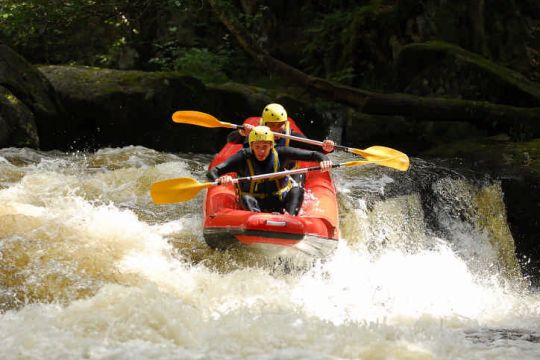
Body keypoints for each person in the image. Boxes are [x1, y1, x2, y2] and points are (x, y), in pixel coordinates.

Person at [207, 125, 333, 215]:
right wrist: (220, 180)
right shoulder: (242, 157)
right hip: (254, 204)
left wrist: (323, 160)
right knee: (246, 199)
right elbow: (213, 172)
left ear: (272, 145)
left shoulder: (282, 153)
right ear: (251, 146)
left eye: (265, 147)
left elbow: (313, 154)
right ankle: (257, 223)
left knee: (297, 190)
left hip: (279, 201)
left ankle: (290, 219)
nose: (261, 151)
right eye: (257, 147)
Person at [227, 103, 335, 153]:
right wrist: (241, 133)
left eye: (280, 124)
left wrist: (327, 147)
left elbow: (315, 147)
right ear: (265, 124)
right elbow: (231, 139)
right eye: (272, 125)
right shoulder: (255, 133)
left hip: (284, 176)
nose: (276, 129)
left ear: (285, 123)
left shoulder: (290, 136)